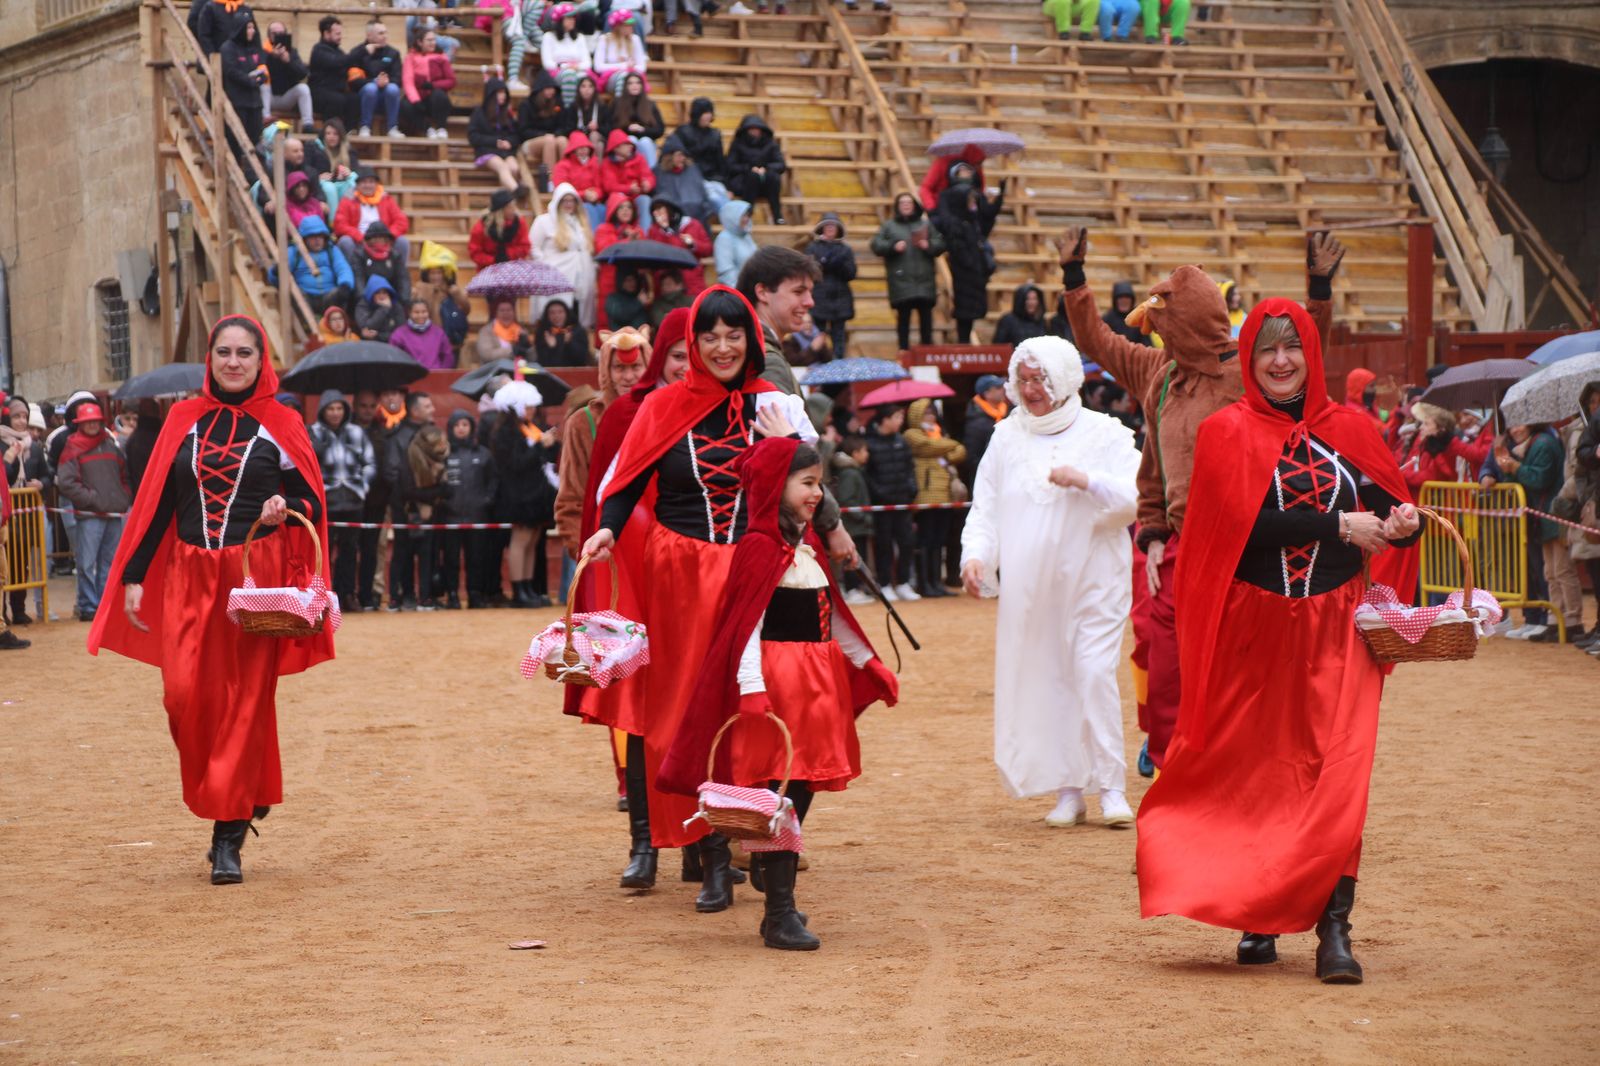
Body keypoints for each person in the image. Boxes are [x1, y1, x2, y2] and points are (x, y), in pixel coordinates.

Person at [1136, 300, 1422, 983]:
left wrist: (1401, 522)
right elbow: (1234, 530)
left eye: (1292, 347)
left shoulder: (1352, 426)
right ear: (1249, 359)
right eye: (1266, 349)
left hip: (1339, 631)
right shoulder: (1225, 432)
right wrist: (1336, 526)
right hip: (1254, 627)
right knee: (1256, 777)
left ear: (1312, 352)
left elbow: (1385, 510)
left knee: (1337, 776)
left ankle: (1335, 929)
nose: (1281, 360)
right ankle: (1258, 914)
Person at [1058, 225, 1340, 771]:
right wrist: (1075, 278)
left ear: (1186, 322)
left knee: (1239, 664)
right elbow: (1096, 340)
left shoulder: (1247, 370)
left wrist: (1319, 289)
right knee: (1161, 656)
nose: (1153, 331)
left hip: (1246, 545)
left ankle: (1246, 762)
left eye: (1164, 321)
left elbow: (1304, 353)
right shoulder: (1156, 372)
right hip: (1178, 544)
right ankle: (1171, 756)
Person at [580, 287, 819, 907]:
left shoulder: (776, 403)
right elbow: (625, 481)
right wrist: (608, 526)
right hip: (681, 575)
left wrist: (780, 438)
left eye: (733, 334)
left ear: (751, 339)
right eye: (709, 336)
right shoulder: (661, 405)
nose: (720, 347)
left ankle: (757, 834)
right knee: (686, 707)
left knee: (760, 704)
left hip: (755, 567)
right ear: (692, 343)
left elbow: (814, 484)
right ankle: (709, 856)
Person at [88, 316, 336, 885]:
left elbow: (312, 502)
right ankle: (242, 792)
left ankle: (228, 834)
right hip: (189, 574)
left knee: (245, 701)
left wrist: (282, 504)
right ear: (210, 359)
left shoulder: (283, 422)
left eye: (244, 353)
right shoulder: (182, 419)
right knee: (182, 697)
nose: (232, 362)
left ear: (260, 360)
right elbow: (157, 504)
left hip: (254, 579)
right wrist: (133, 575)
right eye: (223, 352)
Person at [658, 436, 899, 949]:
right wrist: (751, 689)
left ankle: (774, 877)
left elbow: (832, 613)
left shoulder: (802, 548)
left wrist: (869, 662)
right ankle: (779, 912)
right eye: (807, 483)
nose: (817, 494)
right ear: (775, 485)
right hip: (779, 687)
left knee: (801, 786)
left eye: (820, 484)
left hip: (816, 688)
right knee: (778, 795)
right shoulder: (760, 549)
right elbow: (745, 627)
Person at [960, 335, 1142, 825]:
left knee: (1092, 672)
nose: (1031, 387)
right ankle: (1069, 789)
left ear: (1062, 378)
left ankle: (1111, 786)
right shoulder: (1006, 436)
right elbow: (987, 507)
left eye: (1040, 378)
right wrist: (976, 557)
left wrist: (1086, 480)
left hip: (1095, 580)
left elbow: (1134, 498)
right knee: (1052, 678)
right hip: (1035, 590)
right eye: (1023, 378)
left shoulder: (1105, 432)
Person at [55, 403, 133, 621]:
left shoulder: (110, 444)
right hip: (90, 516)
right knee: (87, 563)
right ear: (80, 424)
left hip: (113, 513)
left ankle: (104, 604)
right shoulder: (73, 446)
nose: (92, 424)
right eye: (87, 421)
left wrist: (122, 497)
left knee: (109, 563)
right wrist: (92, 500)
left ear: (100, 422)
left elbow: (124, 474)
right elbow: (67, 482)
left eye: (95, 421)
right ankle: (88, 606)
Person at [1494, 422, 1565, 640]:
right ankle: (1549, 620)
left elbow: (1539, 479)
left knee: (1559, 571)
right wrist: (1508, 470)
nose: (1515, 430)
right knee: (1548, 572)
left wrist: (1515, 468)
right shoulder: (1527, 446)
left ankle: (1562, 621)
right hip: (1538, 517)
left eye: (1520, 425)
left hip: (1550, 514)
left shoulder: (1543, 443)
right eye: (1512, 427)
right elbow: (1523, 481)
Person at [490, 380, 557, 607]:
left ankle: (528, 586)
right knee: (520, 539)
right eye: (527, 406)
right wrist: (540, 445)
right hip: (517, 494)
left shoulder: (530, 427)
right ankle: (519, 589)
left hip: (534, 492)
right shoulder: (506, 433)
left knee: (532, 539)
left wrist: (548, 444)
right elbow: (516, 463)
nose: (532, 411)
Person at [309, 389, 375, 611]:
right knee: (324, 552)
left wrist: (362, 488)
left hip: (353, 499)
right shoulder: (313, 433)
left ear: (345, 411)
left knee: (349, 550)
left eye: (339, 408)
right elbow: (308, 467)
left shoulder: (356, 432)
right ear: (323, 411)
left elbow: (370, 463)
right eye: (331, 408)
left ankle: (347, 594)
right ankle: (325, 596)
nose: (335, 413)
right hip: (326, 499)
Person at [736, 245, 821, 398]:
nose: (810, 302)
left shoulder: (754, 348)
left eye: (810, 292)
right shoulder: (765, 359)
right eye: (798, 292)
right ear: (762, 293)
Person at [383, 392, 440, 610]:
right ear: (415, 411)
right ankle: (399, 596)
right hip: (404, 504)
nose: (433, 409)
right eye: (427, 406)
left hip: (429, 504)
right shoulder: (397, 437)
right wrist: (415, 499)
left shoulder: (433, 433)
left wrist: (432, 495)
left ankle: (425, 596)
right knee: (402, 550)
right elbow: (391, 473)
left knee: (428, 551)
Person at [904, 398, 965, 598]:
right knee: (926, 541)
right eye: (926, 414)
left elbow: (961, 452)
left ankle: (936, 582)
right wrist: (949, 445)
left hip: (945, 494)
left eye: (932, 413)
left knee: (939, 541)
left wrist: (945, 449)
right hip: (925, 496)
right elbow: (927, 447)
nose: (930, 417)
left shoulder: (939, 434)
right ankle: (925, 583)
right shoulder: (912, 435)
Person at [439, 410, 499, 608]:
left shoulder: (483, 453)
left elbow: (493, 480)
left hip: (477, 516)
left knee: (476, 558)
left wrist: (487, 500)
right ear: (451, 428)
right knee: (451, 560)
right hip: (450, 516)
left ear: (471, 428)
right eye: (457, 425)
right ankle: (453, 595)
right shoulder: (443, 453)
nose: (461, 429)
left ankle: (475, 594)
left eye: (465, 424)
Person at [871, 192, 946, 351]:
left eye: (909, 202)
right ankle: (903, 352)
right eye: (903, 202)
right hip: (901, 282)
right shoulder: (889, 226)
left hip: (924, 281)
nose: (906, 205)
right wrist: (893, 246)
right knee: (903, 320)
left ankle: (927, 352)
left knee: (926, 321)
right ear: (898, 206)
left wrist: (929, 245)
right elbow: (876, 245)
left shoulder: (925, 224)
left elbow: (940, 243)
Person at [932, 183, 1000, 343]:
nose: (973, 204)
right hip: (965, 275)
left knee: (971, 313)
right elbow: (958, 249)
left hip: (975, 275)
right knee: (964, 313)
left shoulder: (972, 221)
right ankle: (963, 343)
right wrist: (971, 263)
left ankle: (966, 342)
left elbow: (987, 224)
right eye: (970, 201)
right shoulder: (956, 224)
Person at [863, 404, 918, 600]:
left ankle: (904, 583)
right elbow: (866, 475)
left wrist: (912, 488)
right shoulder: (869, 443)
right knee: (883, 545)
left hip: (903, 502)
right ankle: (885, 584)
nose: (899, 421)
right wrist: (879, 493)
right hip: (881, 505)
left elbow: (910, 468)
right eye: (896, 417)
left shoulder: (902, 442)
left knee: (906, 543)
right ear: (884, 420)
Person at [352, 389, 399, 609]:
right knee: (348, 549)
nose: (368, 411)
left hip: (376, 499)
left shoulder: (383, 433)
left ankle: (367, 595)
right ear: (355, 407)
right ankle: (347, 593)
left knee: (371, 549)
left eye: (372, 406)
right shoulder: (346, 431)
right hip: (349, 500)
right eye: (363, 406)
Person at [531, 184, 598, 328]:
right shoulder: (544, 221)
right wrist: (545, 266)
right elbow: (533, 247)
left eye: (572, 200)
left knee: (577, 313)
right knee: (557, 314)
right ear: (558, 201)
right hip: (557, 276)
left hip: (581, 276)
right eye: (565, 200)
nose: (568, 204)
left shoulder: (581, 223)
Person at [333, 171, 412, 274]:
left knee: (403, 242)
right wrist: (360, 237)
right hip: (359, 242)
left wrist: (388, 237)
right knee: (345, 241)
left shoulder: (386, 199)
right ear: (357, 185)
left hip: (383, 241)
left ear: (376, 184)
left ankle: (400, 275)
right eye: (364, 182)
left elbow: (401, 221)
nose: (368, 185)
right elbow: (340, 224)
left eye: (371, 182)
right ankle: (352, 276)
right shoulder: (348, 199)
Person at [273, 216, 353, 316]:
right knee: (294, 294)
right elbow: (275, 278)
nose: (317, 240)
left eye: (320, 236)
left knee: (342, 294)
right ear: (305, 238)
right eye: (313, 237)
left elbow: (343, 268)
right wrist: (275, 273)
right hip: (305, 295)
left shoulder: (332, 250)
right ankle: (305, 326)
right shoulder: (294, 252)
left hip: (329, 295)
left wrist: (345, 284)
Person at [806, 213, 857, 359]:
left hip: (840, 299)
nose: (830, 228)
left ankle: (838, 367)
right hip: (819, 298)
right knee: (818, 335)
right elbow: (810, 271)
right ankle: (819, 364)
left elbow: (851, 273)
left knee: (839, 337)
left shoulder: (845, 250)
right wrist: (827, 263)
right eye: (827, 225)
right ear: (821, 228)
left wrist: (836, 264)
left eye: (833, 225)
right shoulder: (812, 248)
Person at [468, 79, 530, 195]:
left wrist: (509, 142)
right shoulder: (479, 113)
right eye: (499, 93)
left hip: (506, 152)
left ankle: (509, 194)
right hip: (487, 151)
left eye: (504, 93)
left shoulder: (507, 114)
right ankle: (516, 191)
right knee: (502, 167)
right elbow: (473, 136)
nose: (503, 96)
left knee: (514, 168)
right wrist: (494, 142)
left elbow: (516, 135)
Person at [594, 194, 646, 329]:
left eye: (629, 207)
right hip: (610, 280)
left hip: (633, 283)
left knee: (634, 318)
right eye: (621, 207)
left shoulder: (638, 231)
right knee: (609, 320)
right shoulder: (604, 229)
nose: (625, 210)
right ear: (613, 210)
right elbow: (605, 249)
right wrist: (628, 240)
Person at [726, 114, 787, 224]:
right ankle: (746, 215)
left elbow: (781, 165)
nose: (755, 132)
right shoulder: (737, 144)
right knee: (752, 177)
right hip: (743, 182)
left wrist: (766, 168)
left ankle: (777, 215)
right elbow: (730, 166)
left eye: (757, 129)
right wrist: (748, 168)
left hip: (766, 183)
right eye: (751, 129)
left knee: (774, 177)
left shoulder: (771, 144)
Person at [219, 17, 271, 149]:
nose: (252, 31)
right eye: (249, 28)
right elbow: (231, 71)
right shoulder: (228, 47)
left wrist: (263, 76)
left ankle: (252, 168)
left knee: (256, 138)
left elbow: (262, 65)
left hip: (255, 103)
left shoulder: (255, 47)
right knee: (236, 140)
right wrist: (250, 80)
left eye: (253, 27)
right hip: (238, 102)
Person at [673, 97, 731, 213]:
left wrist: (727, 186)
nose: (708, 116)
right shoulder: (683, 132)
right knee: (713, 196)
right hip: (689, 178)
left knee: (718, 192)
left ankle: (732, 221)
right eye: (705, 113)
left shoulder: (715, 134)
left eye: (709, 113)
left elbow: (720, 162)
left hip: (712, 178)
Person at [645, 198, 712, 299]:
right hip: (667, 287)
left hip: (692, 282)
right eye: (654, 210)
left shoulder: (693, 224)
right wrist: (665, 231)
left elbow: (708, 249)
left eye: (660, 208)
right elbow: (665, 253)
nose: (657, 213)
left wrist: (694, 244)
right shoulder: (653, 230)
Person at [350, 19, 405, 137]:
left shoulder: (393, 53)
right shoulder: (358, 52)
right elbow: (354, 81)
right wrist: (375, 82)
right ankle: (365, 127)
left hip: (386, 96)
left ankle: (392, 128)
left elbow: (398, 78)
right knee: (371, 88)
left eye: (385, 33)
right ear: (369, 35)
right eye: (380, 33)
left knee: (393, 88)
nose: (385, 36)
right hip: (364, 97)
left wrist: (386, 82)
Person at [518, 71, 571, 193]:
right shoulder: (526, 105)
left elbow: (564, 126)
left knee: (563, 140)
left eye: (552, 88)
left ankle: (566, 179)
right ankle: (550, 180)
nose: (551, 92)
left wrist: (556, 134)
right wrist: (542, 135)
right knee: (549, 140)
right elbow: (523, 131)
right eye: (547, 88)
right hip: (530, 143)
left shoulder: (558, 103)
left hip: (553, 140)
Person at [400, 27, 456, 140]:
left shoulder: (441, 57)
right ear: (420, 42)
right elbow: (408, 81)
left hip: (434, 97)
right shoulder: (410, 57)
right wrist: (415, 100)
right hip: (418, 96)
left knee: (439, 96)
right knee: (406, 105)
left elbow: (451, 80)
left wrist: (434, 85)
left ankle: (441, 128)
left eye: (434, 40)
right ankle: (427, 129)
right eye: (429, 40)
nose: (433, 43)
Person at [261, 20, 314, 131]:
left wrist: (288, 61)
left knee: (303, 88)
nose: (278, 36)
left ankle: (308, 124)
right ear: (269, 36)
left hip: (286, 97)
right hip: (267, 98)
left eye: (281, 33)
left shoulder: (292, 52)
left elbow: (303, 74)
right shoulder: (263, 52)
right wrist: (272, 57)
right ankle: (265, 118)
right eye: (274, 34)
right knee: (263, 83)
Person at [654, 134, 714, 227]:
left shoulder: (692, 169)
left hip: (697, 214)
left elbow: (702, 192)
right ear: (669, 157)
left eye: (683, 155)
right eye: (678, 156)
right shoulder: (660, 172)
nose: (682, 159)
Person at [347, 221, 412, 306]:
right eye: (374, 237)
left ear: (387, 239)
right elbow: (358, 279)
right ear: (368, 239)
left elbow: (403, 278)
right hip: (366, 301)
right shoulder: (359, 255)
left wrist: (402, 300)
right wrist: (364, 300)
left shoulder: (395, 256)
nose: (378, 240)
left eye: (381, 237)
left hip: (391, 300)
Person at [609, 73, 666, 171]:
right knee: (631, 140)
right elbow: (610, 127)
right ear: (625, 86)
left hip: (647, 140)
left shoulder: (650, 104)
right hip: (624, 141)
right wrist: (627, 128)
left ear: (642, 86)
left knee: (645, 142)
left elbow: (660, 129)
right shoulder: (617, 103)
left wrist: (642, 130)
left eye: (637, 83)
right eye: (630, 83)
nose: (634, 86)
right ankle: (630, 173)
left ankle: (651, 173)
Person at [540, 5, 593, 106]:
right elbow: (547, 64)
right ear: (559, 20)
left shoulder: (580, 37)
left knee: (586, 80)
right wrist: (566, 66)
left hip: (578, 70)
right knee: (569, 75)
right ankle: (569, 111)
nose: (572, 20)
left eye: (573, 18)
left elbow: (588, 63)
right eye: (568, 18)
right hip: (556, 73)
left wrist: (576, 67)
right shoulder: (548, 37)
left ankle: (587, 111)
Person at [417, 247, 470, 347]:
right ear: (426, 275)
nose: (436, 277)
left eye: (439, 273)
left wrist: (458, 295)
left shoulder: (452, 290)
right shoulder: (420, 289)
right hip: (428, 339)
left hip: (451, 340)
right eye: (432, 273)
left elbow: (466, 310)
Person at [308, 16, 356, 126]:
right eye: (337, 34)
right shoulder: (318, 50)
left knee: (354, 99)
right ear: (326, 33)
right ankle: (329, 133)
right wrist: (360, 51)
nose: (340, 37)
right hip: (319, 93)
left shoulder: (339, 51)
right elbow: (336, 62)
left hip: (337, 91)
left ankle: (350, 132)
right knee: (336, 100)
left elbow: (346, 64)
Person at [551, 130, 606, 225]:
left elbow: (600, 186)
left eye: (585, 147)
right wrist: (583, 194)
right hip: (571, 202)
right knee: (588, 209)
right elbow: (561, 189)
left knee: (603, 210)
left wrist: (596, 194)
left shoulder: (595, 164)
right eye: (580, 148)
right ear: (573, 149)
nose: (583, 150)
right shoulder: (562, 166)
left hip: (594, 202)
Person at [962, 373, 1009, 483]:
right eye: (998, 387)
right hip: (988, 480)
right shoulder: (975, 423)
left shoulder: (1009, 414)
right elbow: (972, 459)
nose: (1003, 389)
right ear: (987, 393)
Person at [468, 189, 532, 268]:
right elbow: (475, 253)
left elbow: (525, 246)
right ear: (500, 210)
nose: (514, 210)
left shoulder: (519, 222)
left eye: (514, 206)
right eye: (509, 207)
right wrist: (494, 260)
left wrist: (507, 254)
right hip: (488, 270)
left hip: (514, 267)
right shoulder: (481, 227)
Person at [599, 129, 656, 217]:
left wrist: (647, 184)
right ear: (616, 147)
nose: (630, 147)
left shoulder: (639, 158)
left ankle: (644, 230)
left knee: (645, 200)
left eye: (630, 144)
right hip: (617, 197)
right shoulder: (607, 163)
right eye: (626, 144)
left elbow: (648, 175)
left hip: (636, 196)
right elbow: (609, 186)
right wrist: (628, 188)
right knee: (618, 199)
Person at [592, 11, 649, 96]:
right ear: (617, 26)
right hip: (610, 79)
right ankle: (621, 107)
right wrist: (624, 66)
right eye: (627, 24)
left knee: (633, 81)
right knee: (626, 79)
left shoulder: (635, 39)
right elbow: (598, 67)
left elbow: (642, 67)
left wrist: (627, 68)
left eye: (631, 24)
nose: (631, 27)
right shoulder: (604, 39)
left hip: (632, 76)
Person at [389, 298, 457, 369]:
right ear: (409, 313)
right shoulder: (399, 334)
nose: (420, 315)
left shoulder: (438, 333)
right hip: (410, 377)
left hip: (435, 376)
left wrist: (441, 374)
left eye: (424, 312)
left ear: (428, 312)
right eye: (416, 312)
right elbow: (393, 357)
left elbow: (447, 356)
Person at [918, 147, 985, 214]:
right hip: (940, 209)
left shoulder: (975, 167)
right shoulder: (942, 163)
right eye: (978, 162)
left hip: (966, 212)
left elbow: (980, 189)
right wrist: (932, 208)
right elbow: (925, 188)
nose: (979, 166)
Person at [314, 118, 361, 211]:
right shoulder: (317, 150)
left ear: (340, 136)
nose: (332, 137)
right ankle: (333, 222)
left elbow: (357, 171)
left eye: (335, 134)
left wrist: (349, 173)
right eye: (328, 133)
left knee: (353, 181)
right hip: (323, 186)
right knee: (330, 189)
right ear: (323, 135)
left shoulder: (349, 151)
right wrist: (318, 177)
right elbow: (310, 170)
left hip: (343, 184)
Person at [503, 0, 547, 92]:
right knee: (519, 41)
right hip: (504, 11)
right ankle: (513, 79)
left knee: (544, 42)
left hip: (519, 12)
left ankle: (555, 75)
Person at [532, 299, 592, 366]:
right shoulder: (543, 332)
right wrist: (552, 347)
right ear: (547, 315)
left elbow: (581, 359)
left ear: (567, 313)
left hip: (574, 373)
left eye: (560, 312)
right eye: (552, 313)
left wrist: (569, 344)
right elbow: (542, 361)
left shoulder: (577, 330)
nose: (556, 316)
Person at [713, 200, 756, 288]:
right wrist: (740, 290)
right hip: (735, 292)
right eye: (743, 215)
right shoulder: (724, 238)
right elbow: (725, 270)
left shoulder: (746, 236)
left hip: (750, 289)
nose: (746, 219)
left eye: (748, 215)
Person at [992, 283, 1050, 347]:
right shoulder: (1008, 320)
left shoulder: (1041, 321)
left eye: (1034, 299)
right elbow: (998, 347)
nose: (1031, 302)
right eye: (1028, 299)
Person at [475, 298, 530, 364]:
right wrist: (512, 350)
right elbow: (487, 355)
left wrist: (528, 346)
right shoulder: (486, 331)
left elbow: (532, 358)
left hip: (518, 370)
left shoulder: (521, 330)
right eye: (502, 310)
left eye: (509, 310)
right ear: (496, 313)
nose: (506, 313)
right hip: (494, 371)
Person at [560, 74, 610, 145]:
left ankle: (593, 156)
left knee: (594, 136)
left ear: (594, 89)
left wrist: (598, 127)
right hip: (578, 137)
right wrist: (581, 130)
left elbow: (609, 128)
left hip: (598, 136)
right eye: (583, 86)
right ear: (578, 89)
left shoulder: (601, 106)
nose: (587, 89)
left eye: (590, 86)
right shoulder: (573, 106)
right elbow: (568, 129)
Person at [354, 276, 403, 342]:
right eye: (377, 292)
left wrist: (379, 335)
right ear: (371, 293)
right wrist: (384, 309)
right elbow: (368, 328)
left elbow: (400, 333)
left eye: (384, 292)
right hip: (370, 344)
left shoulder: (396, 306)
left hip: (392, 344)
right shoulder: (362, 306)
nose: (381, 295)